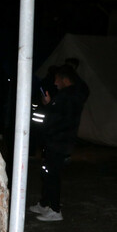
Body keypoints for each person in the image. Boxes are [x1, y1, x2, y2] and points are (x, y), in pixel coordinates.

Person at [29, 62, 89, 221]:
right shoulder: (69, 95)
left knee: (52, 174)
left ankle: (55, 209)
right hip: (56, 141)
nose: (55, 83)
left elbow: (60, 120)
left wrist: (48, 108)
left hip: (58, 141)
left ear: (65, 79)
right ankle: (44, 203)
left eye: (57, 79)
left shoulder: (68, 97)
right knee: (47, 172)